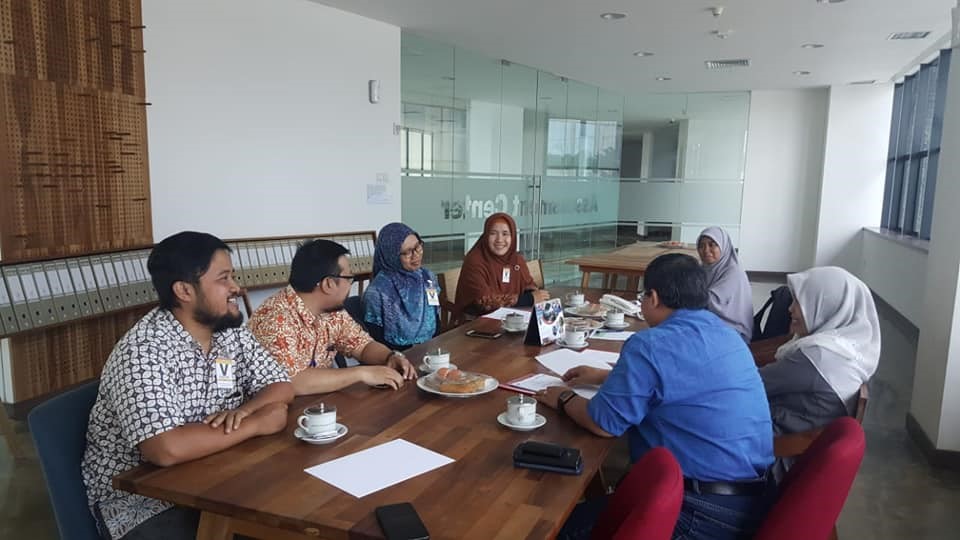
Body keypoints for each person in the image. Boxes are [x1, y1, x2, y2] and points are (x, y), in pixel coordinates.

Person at [537, 253, 775, 540]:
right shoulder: (727, 336)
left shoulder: (650, 345)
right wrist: (604, 377)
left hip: (696, 511)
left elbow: (603, 423)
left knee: (551, 527)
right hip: (751, 504)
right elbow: (682, 381)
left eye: (643, 296)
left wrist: (563, 398)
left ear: (654, 297)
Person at [82, 232, 295, 540]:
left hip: (218, 477)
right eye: (224, 278)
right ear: (184, 290)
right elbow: (166, 449)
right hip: (145, 505)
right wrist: (256, 423)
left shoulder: (228, 332)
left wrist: (246, 411)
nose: (236, 287)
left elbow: (281, 384)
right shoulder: (143, 350)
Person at [249, 239, 417, 395]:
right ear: (328, 284)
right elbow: (291, 381)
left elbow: (361, 345)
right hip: (276, 410)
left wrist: (390, 357)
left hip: (319, 404)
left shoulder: (331, 312)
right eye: (349, 278)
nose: (350, 285)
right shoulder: (276, 318)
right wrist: (361, 373)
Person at [760, 266, 880, 435]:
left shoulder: (818, 357)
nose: (790, 309)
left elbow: (753, 382)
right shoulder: (844, 350)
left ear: (825, 307)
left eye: (800, 303)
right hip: (793, 430)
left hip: (775, 440)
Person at [454, 212, 549, 319]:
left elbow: (528, 284)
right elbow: (485, 302)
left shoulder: (516, 259)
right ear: (486, 235)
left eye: (505, 234)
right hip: (476, 322)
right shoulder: (474, 261)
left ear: (512, 236)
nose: (499, 240)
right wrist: (529, 299)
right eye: (493, 233)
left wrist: (533, 293)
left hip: (512, 318)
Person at [363, 222, 440, 351]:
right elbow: (376, 339)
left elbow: (435, 316)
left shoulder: (428, 278)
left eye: (418, 246)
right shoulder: (378, 291)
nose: (416, 255)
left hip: (431, 349)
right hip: (396, 356)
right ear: (391, 255)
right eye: (407, 252)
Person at [697, 226, 754, 342]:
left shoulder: (734, 272)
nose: (706, 250)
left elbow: (711, 301)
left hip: (734, 329)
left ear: (723, 246)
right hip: (711, 321)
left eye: (712, 245)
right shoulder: (705, 268)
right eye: (701, 246)